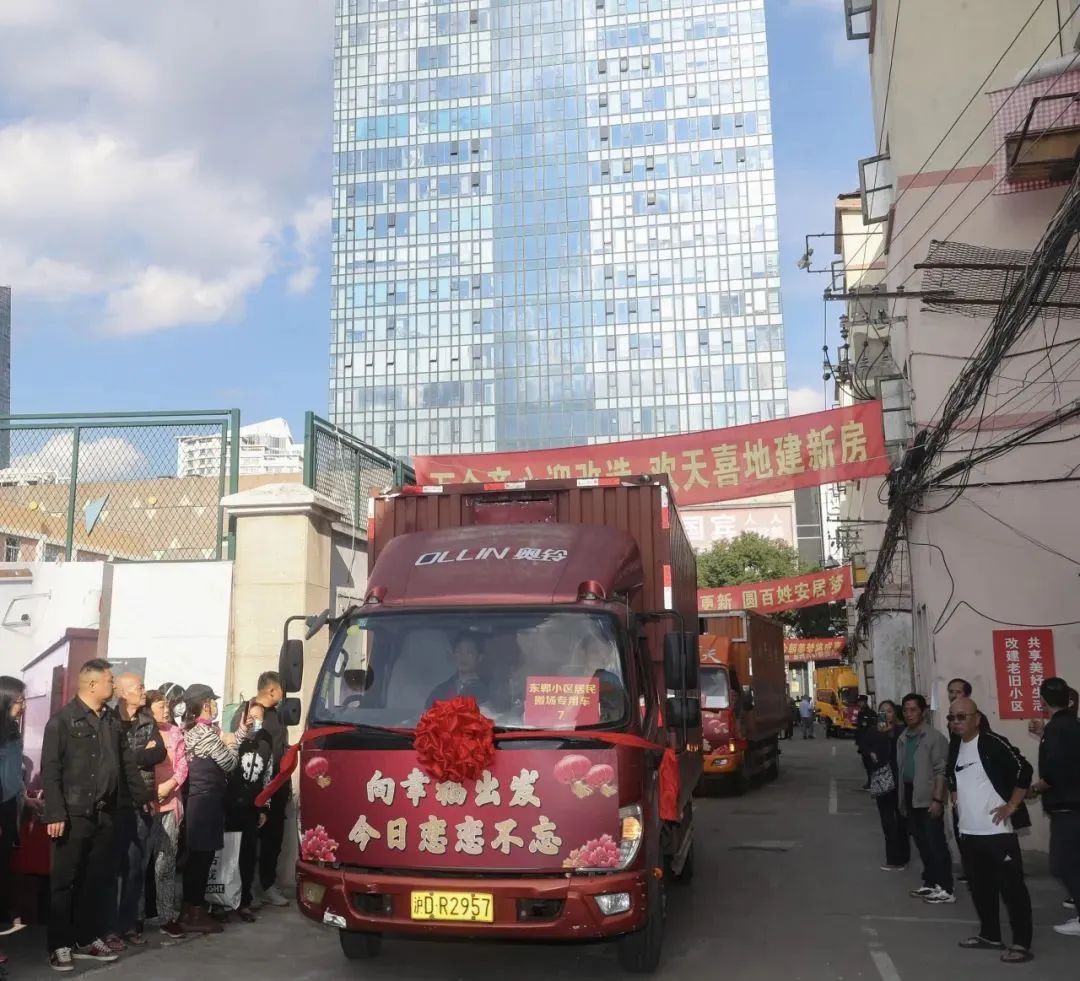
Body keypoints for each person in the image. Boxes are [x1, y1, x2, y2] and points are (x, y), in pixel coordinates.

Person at [41, 659, 150, 972]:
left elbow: (126, 763)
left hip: (105, 814)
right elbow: (51, 770)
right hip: (72, 815)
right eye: (109, 680)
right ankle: (59, 944)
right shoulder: (63, 721)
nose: (113, 685)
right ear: (91, 684)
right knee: (64, 882)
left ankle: (86, 939)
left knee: (95, 880)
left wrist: (142, 797)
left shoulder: (111, 721)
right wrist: (55, 813)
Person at [947, 697, 1033, 963]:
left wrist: (1012, 805)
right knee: (980, 888)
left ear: (977, 718)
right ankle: (990, 935)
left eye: (962, 717)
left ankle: (1021, 943)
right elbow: (952, 775)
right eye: (952, 717)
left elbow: (1024, 769)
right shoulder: (955, 746)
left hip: (998, 833)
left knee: (1012, 890)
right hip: (969, 832)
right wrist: (954, 794)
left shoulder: (992, 743)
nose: (956, 722)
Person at [106, 673, 166, 951]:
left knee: (135, 868)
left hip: (141, 803)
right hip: (115, 803)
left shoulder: (147, 720)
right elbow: (112, 759)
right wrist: (138, 755)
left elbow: (159, 753)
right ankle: (108, 928)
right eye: (139, 687)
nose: (144, 691)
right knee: (112, 868)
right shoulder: (109, 720)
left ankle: (128, 924)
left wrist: (130, 757)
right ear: (123, 692)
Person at [180, 684, 239, 935]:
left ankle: (193, 908)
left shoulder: (192, 730)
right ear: (205, 704)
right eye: (212, 701)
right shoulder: (204, 733)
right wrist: (232, 744)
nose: (215, 705)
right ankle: (193, 912)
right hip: (206, 802)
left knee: (199, 858)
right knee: (201, 860)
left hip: (200, 801)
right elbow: (229, 763)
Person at [1029, 677, 1080, 937]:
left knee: (1063, 864)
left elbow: (1055, 771)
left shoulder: (1056, 729)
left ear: (1042, 701)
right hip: (1073, 804)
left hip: (1067, 807)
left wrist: (1034, 789)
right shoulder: (1071, 725)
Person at [896, 693, 954, 904]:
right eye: (905, 710)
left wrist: (937, 800)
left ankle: (946, 888)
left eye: (913, 710)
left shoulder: (934, 738)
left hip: (929, 796)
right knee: (921, 842)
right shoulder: (904, 737)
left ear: (923, 712)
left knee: (935, 841)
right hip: (911, 794)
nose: (909, 714)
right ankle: (930, 882)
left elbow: (941, 770)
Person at [145, 689, 187, 940]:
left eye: (167, 706)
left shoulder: (174, 732)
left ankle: (166, 916)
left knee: (166, 863)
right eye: (161, 706)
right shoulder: (142, 731)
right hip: (145, 805)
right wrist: (151, 792)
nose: (166, 710)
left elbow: (182, 766)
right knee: (140, 865)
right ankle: (135, 918)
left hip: (169, 804)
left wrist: (169, 786)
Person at [226, 701, 273, 922]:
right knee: (227, 855)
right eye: (251, 717)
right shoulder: (234, 740)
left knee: (247, 857)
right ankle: (221, 903)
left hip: (252, 809)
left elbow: (268, 777)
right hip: (230, 807)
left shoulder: (265, 745)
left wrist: (265, 807)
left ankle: (244, 902)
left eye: (258, 718)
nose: (255, 722)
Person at [252, 671, 291, 909]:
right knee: (250, 842)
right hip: (255, 789)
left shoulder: (279, 715)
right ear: (272, 690)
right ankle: (247, 890)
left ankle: (268, 885)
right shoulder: (249, 712)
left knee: (273, 840)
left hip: (278, 787)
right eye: (282, 689)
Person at [0, 677, 28, 938]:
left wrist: (26, 797)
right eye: (19, 701)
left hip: (8, 806)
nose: (23, 706)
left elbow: (14, 772)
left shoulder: (13, 730)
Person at [867, 700, 909, 872]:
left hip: (899, 782)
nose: (886, 714)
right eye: (882, 711)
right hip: (883, 783)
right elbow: (871, 754)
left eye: (889, 711)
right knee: (887, 821)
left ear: (895, 714)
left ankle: (903, 857)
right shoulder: (874, 732)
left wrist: (888, 735)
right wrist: (880, 738)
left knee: (901, 820)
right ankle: (893, 858)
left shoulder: (902, 732)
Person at [426, 635, 490, 709]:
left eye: (469, 653)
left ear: (480, 657)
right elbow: (428, 711)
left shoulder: (487, 689)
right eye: (458, 652)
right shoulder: (441, 690)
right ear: (453, 656)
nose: (463, 657)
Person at [854, 694, 878, 790]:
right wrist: (858, 742)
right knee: (866, 763)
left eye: (861, 702)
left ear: (865, 702)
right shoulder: (860, 713)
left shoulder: (871, 713)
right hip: (863, 743)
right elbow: (859, 729)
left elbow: (873, 728)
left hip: (870, 743)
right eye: (858, 702)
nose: (859, 703)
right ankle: (870, 781)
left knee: (871, 763)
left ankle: (872, 782)